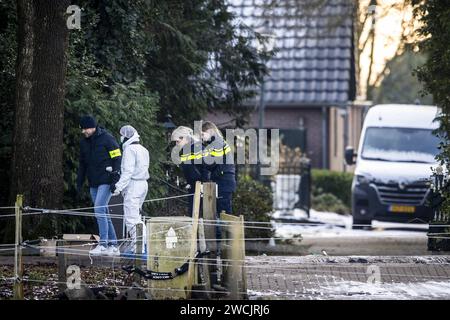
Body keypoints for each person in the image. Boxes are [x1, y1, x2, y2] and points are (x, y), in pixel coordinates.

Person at [76, 115, 121, 256]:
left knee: (99, 210)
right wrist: (79, 181)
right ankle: (113, 245)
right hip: (93, 181)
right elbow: (82, 164)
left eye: (85, 129)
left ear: (92, 127)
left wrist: (115, 177)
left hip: (106, 180)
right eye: (82, 129)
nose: (84, 131)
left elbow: (117, 157)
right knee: (104, 212)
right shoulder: (84, 143)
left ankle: (103, 244)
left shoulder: (107, 138)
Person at [111, 125, 150, 255]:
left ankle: (138, 249)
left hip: (134, 186)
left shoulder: (129, 150)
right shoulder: (143, 149)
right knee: (137, 217)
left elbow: (127, 172)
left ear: (126, 137)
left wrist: (117, 187)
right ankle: (142, 245)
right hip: (143, 185)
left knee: (131, 219)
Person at [171, 126, 208, 216]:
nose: (176, 144)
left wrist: (203, 184)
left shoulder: (197, 149)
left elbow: (206, 168)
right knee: (193, 214)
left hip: (201, 188)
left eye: (177, 141)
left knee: (199, 215)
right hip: (194, 187)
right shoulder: (186, 150)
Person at [201, 121, 236, 215]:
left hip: (224, 181)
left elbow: (211, 163)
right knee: (222, 212)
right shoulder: (217, 143)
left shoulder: (218, 143)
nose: (201, 137)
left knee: (223, 213)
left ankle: (226, 230)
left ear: (210, 131)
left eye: (203, 134)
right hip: (224, 179)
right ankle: (223, 229)